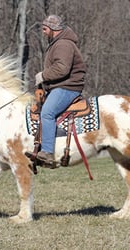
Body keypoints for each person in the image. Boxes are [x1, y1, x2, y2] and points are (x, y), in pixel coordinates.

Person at [30, 14, 86, 166]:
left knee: (47, 113)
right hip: (60, 86)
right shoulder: (57, 43)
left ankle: (47, 152)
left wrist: (43, 76)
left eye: (44, 28)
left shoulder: (63, 44)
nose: (43, 32)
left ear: (53, 29)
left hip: (68, 87)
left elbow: (62, 68)